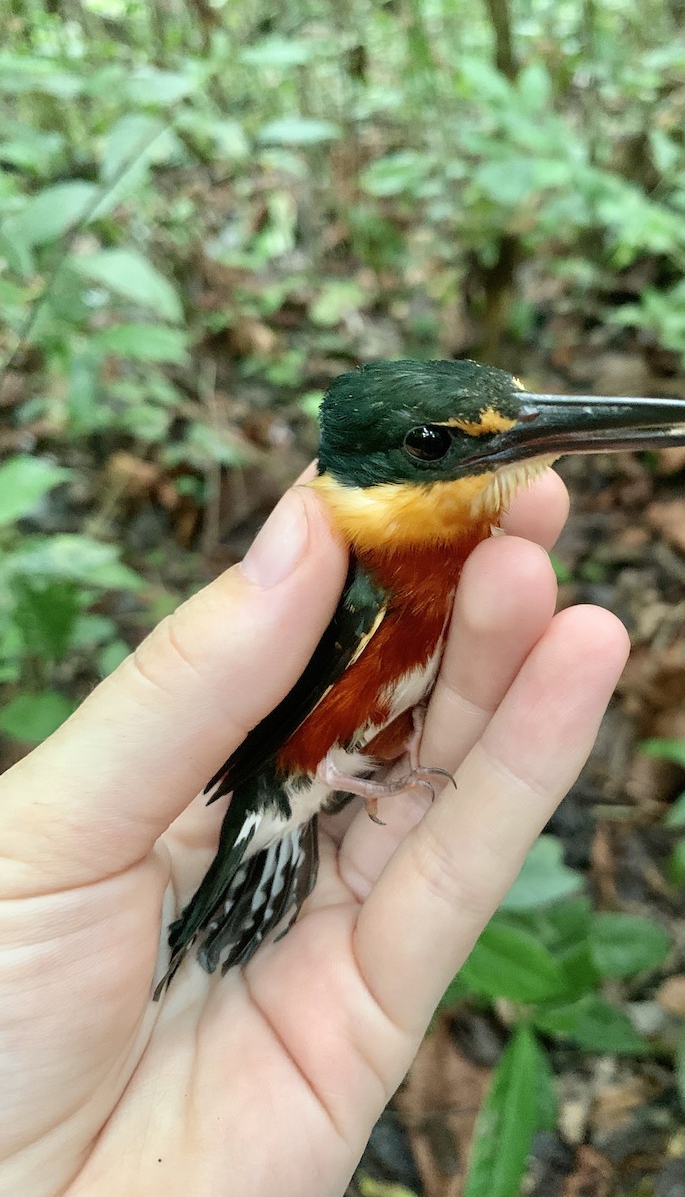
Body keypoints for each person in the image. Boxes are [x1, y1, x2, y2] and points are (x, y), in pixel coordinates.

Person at [0, 469, 629, 1197]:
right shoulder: (366, 584)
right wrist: (355, 779)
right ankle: (204, 936)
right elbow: (305, 721)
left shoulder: (438, 561)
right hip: (301, 773)